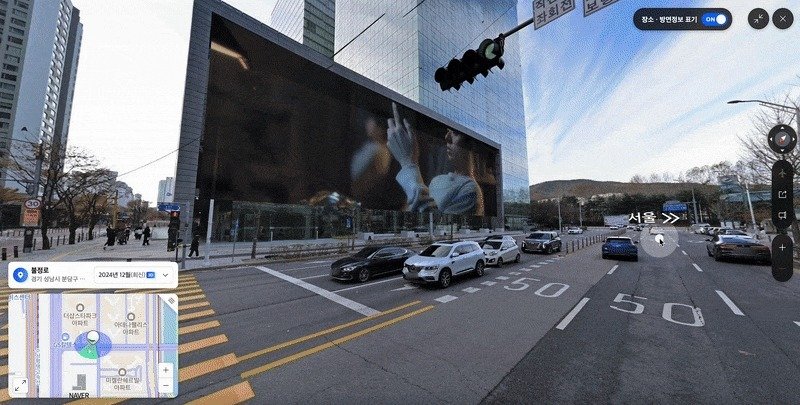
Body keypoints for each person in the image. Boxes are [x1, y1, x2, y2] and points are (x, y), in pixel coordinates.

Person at [386, 102, 484, 215]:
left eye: (456, 133)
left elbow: (433, 220)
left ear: (472, 145)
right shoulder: (437, 180)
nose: (447, 137)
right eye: (448, 132)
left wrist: (408, 162)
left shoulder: (470, 190)